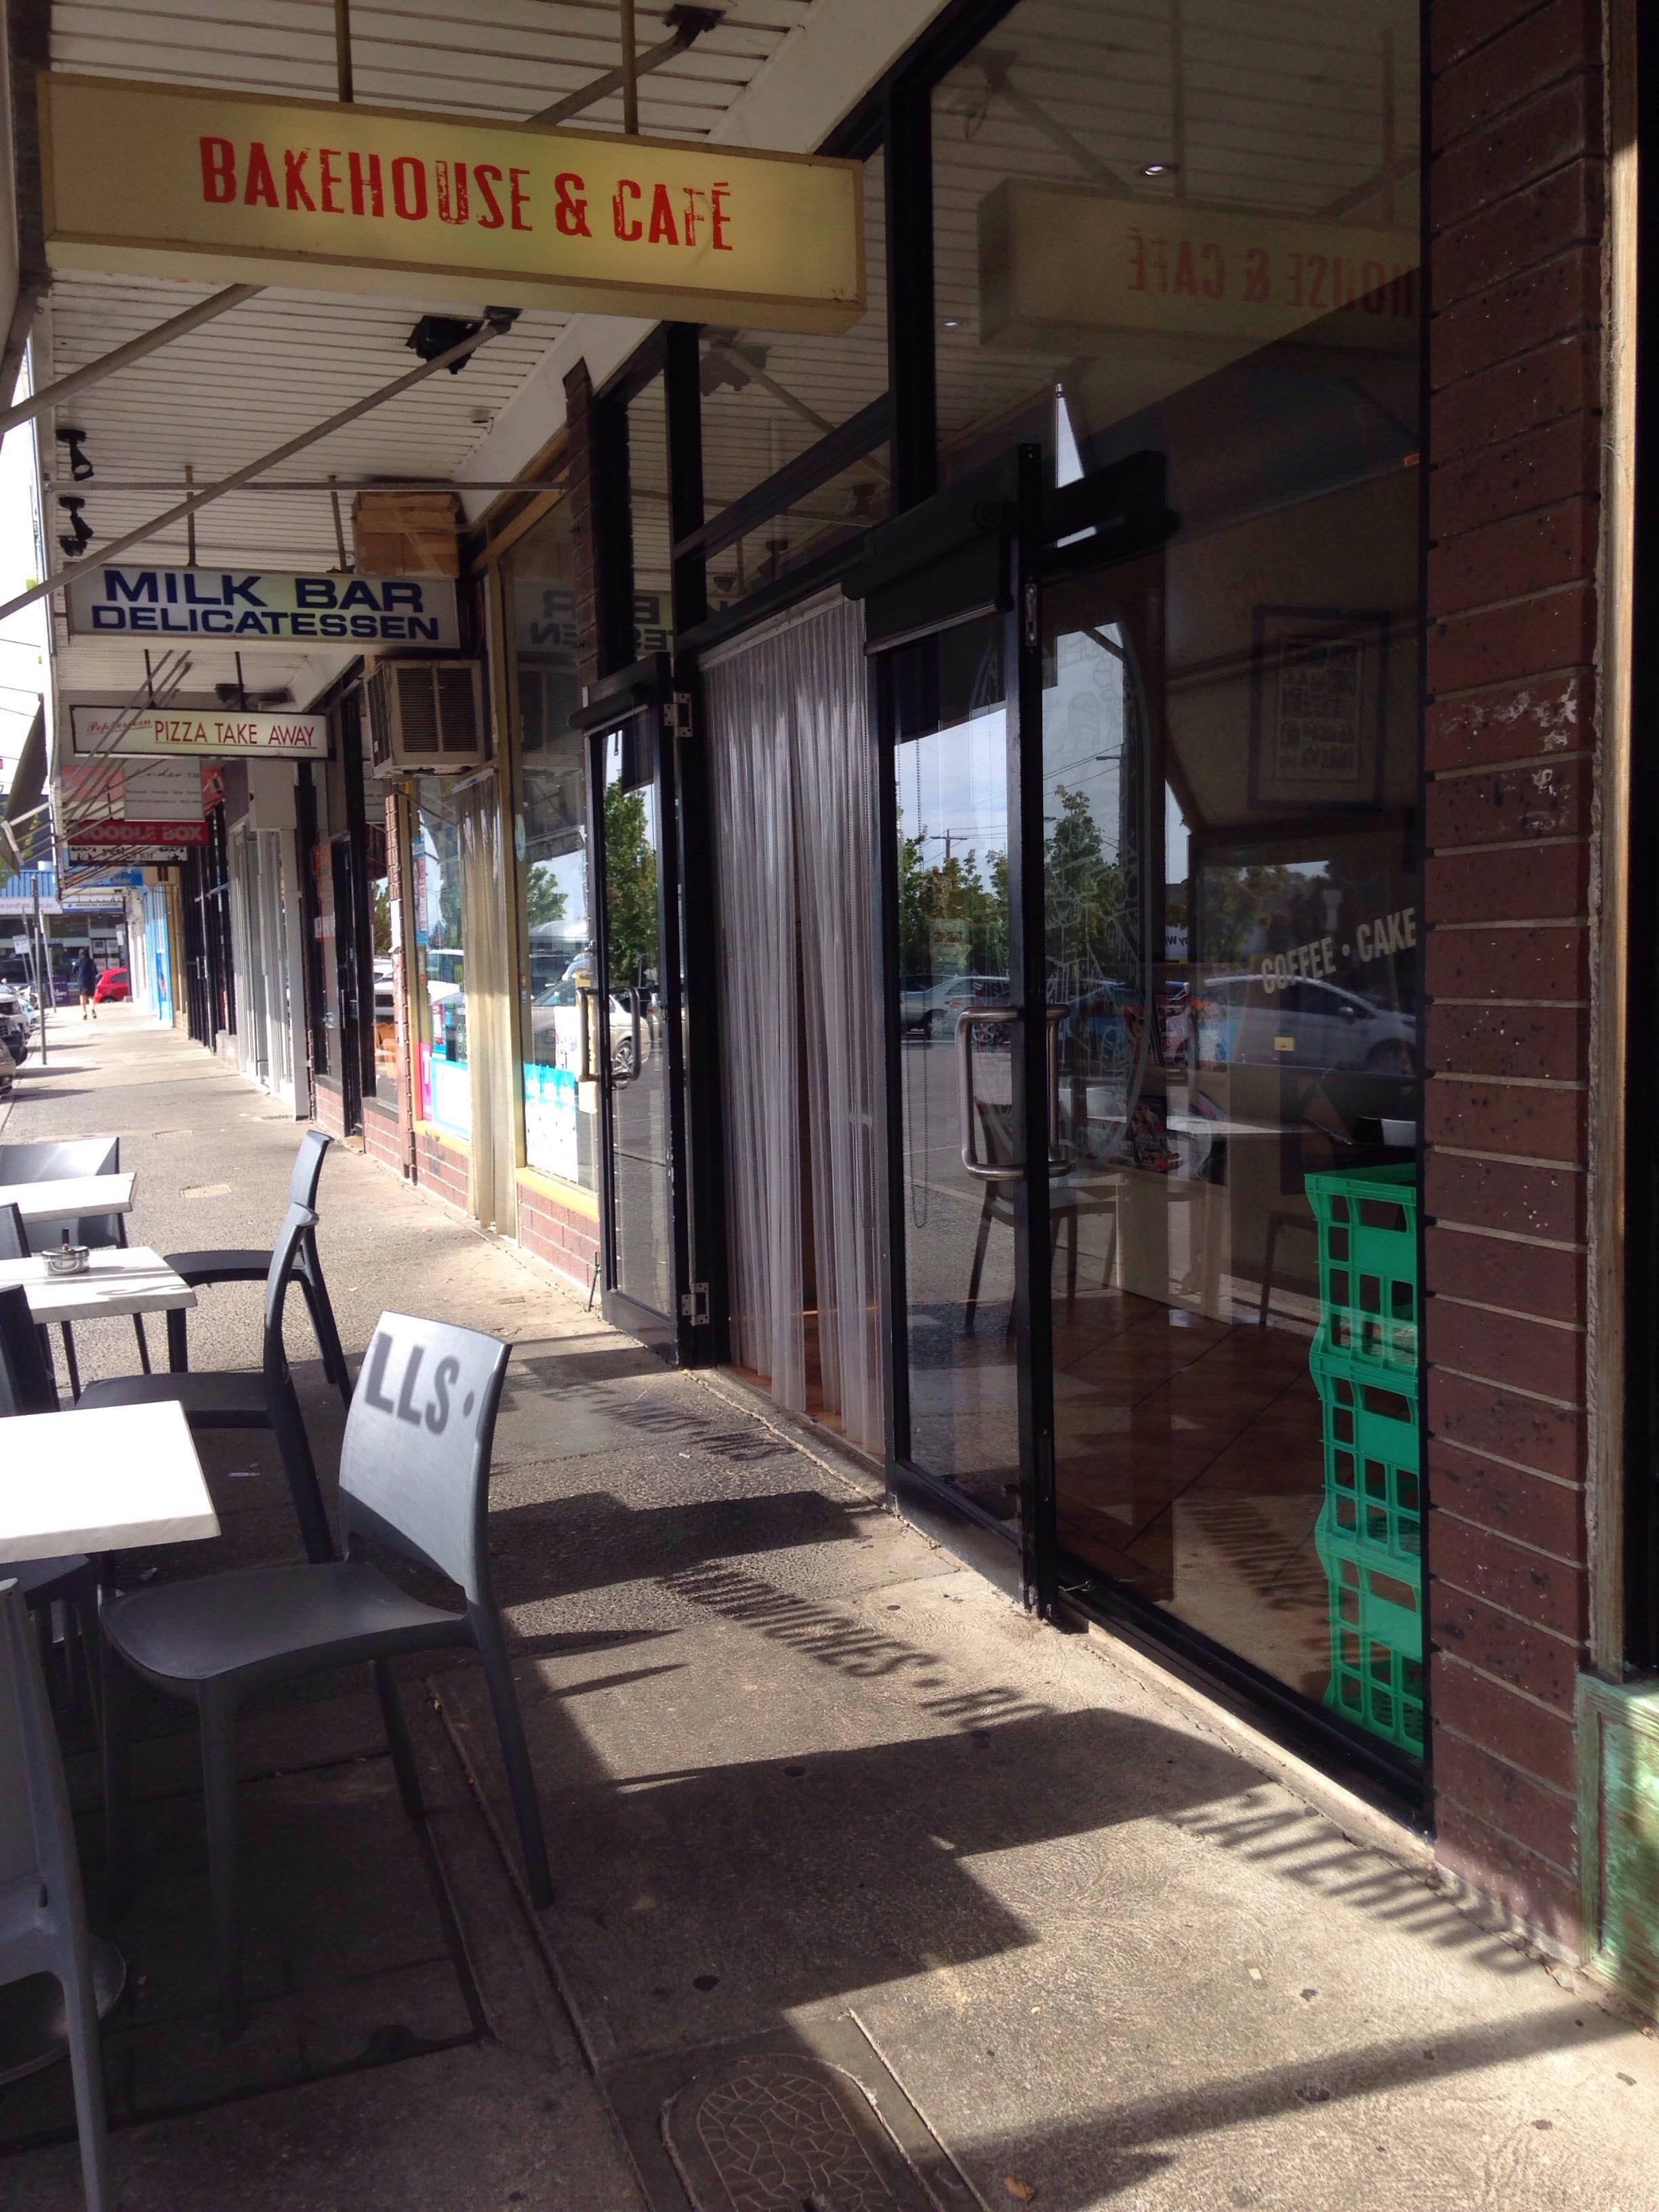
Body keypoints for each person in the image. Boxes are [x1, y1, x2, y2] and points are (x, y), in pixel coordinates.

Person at [75, 947, 98, 1020]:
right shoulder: (92, 962)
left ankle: (85, 1013)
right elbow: (96, 972)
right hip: (91, 980)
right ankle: (92, 1009)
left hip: (82, 980)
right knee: (91, 996)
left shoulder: (78, 962)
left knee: (83, 996)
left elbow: (73, 970)